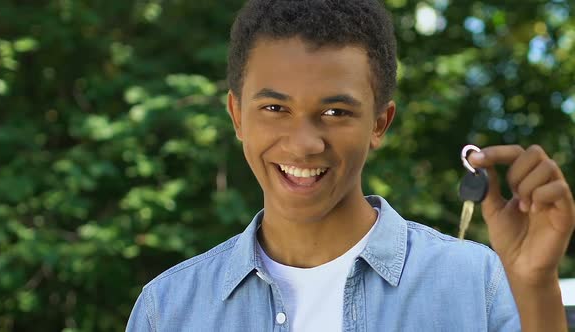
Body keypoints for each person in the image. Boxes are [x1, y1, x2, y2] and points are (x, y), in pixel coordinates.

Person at [126, 0, 575, 331]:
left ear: (380, 123)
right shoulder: (167, 310)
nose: (303, 145)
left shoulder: (478, 283)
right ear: (237, 115)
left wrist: (535, 285)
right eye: (275, 109)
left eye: (335, 113)